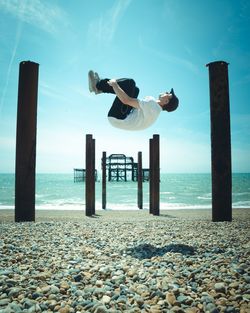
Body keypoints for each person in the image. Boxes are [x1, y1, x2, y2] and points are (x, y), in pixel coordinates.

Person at [88, 70, 179, 131]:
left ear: (166, 101)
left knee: (130, 83)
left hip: (117, 117)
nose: (166, 92)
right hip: (121, 119)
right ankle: (100, 88)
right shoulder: (155, 110)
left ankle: (97, 86)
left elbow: (126, 100)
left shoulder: (152, 105)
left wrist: (114, 84)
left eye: (168, 94)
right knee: (136, 89)